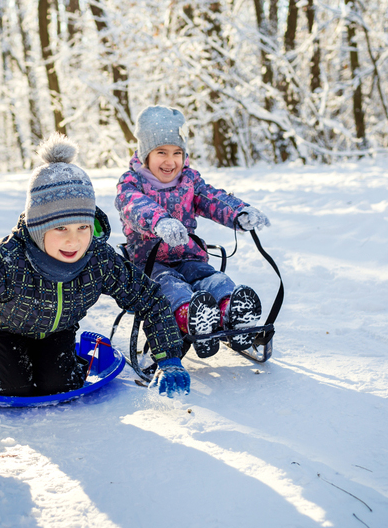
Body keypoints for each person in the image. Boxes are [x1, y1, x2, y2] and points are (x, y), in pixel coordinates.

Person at [0, 134, 189, 423]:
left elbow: (148, 297)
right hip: (3, 328)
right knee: (12, 387)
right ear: (38, 227)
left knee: (62, 384)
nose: (74, 240)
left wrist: (169, 357)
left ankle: (56, 361)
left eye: (82, 227)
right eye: (60, 228)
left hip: (56, 329)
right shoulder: (6, 261)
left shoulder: (98, 258)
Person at [115, 106, 271, 359]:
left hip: (189, 257)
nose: (170, 161)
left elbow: (213, 198)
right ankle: (191, 317)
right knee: (170, 286)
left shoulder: (189, 181)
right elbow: (134, 206)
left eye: (177, 152)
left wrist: (239, 212)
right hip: (149, 264)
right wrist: (160, 222)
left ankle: (232, 311)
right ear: (145, 155)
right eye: (161, 152)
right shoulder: (131, 183)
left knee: (212, 279)